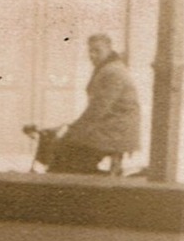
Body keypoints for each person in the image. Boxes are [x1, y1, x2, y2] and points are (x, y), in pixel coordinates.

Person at [45, 33, 141, 174]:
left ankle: (76, 185)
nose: (92, 55)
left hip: (115, 131)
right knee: (67, 146)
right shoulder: (107, 68)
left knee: (65, 148)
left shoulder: (113, 72)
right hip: (109, 127)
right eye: (90, 50)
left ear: (109, 49)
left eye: (97, 50)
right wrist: (74, 127)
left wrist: (74, 129)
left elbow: (99, 108)